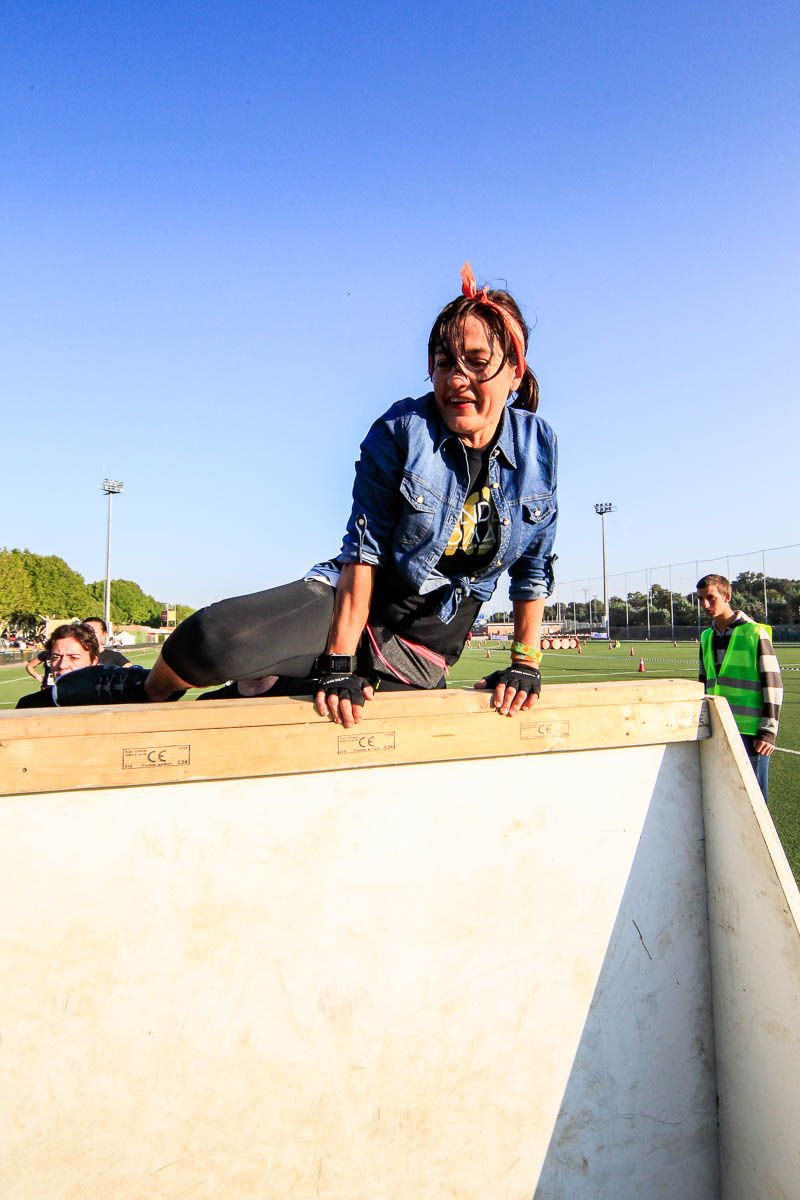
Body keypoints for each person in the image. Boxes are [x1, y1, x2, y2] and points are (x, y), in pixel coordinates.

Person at [54, 264, 558, 726]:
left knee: (262, 696)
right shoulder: (402, 430)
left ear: (515, 369)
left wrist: (524, 663)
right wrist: (339, 662)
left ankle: (261, 685)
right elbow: (364, 553)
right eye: (445, 362)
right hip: (352, 609)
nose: (457, 380)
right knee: (215, 638)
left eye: (476, 362)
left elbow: (532, 569)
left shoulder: (539, 448)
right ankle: (145, 690)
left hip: (419, 650)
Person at [696, 574, 783, 801]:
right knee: (726, 797)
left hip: (750, 733)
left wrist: (768, 731)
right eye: (700, 599)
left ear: (727, 596)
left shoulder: (754, 633)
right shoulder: (706, 637)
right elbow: (703, 683)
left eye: (711, 598)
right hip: (718, 726)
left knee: (752, 801)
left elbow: (773, 683)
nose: (705, 604)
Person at [16, 623, 101, 709]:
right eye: (56, 657)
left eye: (73, 658)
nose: (62, 665)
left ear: (93, 662)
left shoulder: (107, 701)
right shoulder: (29, 705)